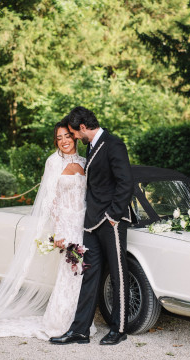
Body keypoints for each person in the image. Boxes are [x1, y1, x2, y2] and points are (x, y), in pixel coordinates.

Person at [0, 123, 97, 339]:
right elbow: (50, 201)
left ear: (74, 137)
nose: (64, 141)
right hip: (66, 227)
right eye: (59, 138)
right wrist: (59, 232)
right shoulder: (53, 162)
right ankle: (59, 323)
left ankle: (80, 321)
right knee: (68, 274)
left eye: (67, 136)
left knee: (81, 275)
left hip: (83, 224)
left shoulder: (84, 162)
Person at [50, 106, 134, 346]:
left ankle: (119, 329)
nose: (74, 137)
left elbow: (125, 183)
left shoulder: (114, 144)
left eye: (74, 133)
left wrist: (113, 215)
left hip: (111, 222)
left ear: (83, 128)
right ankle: (80, 330)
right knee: (89, 275)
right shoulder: (92, 146)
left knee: (118, 274)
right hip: (91, 224)